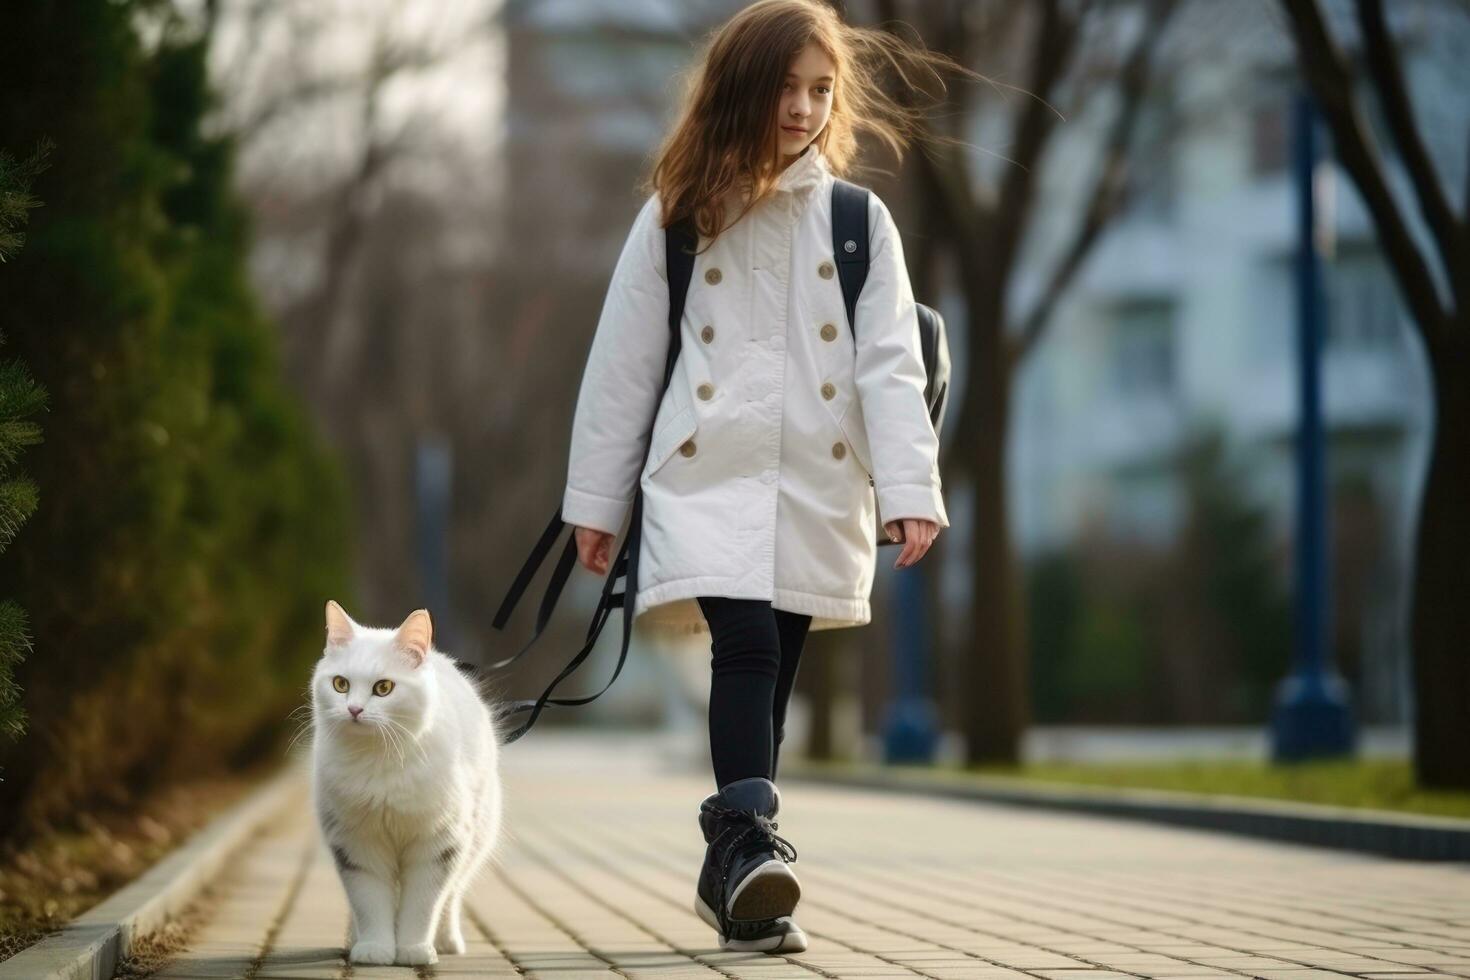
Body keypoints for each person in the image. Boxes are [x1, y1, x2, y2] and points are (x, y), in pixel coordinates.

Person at [560, 0, 964, 956]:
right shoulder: (676, 217)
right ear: (742, 89)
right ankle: (746, 845)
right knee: (743, 646)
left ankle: (737, 878)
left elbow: (892, 365)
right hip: (707, 476)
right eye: (786, 87)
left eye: (821, 90)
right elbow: (623, 366)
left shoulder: (859, 223)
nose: (804, 108)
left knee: (773, 664)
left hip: (818, 483)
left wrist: (911, 490)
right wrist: (596, 501)